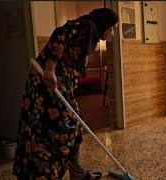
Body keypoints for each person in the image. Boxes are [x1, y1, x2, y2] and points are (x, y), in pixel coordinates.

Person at [13, 8, 118, 179]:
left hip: (60, 85)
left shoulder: (90, 33)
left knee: (75, 125)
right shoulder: (85, 27)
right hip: (44, 86)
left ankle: (76, 171)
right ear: (105, 25)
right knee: (57, 130)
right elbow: (59, 34)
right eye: (112, 28)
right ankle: (42, 174)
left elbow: (71, 63)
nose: (112, 34)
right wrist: (50, 69)